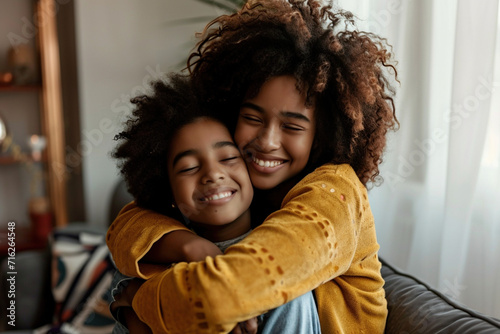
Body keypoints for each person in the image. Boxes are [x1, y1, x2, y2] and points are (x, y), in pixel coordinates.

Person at [107, 0, 399, 332]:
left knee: (283, 294)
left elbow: (233, 290)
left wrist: (137, 304)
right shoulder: (243, 182)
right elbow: (128, 224)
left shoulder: (336, 194)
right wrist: (190, 246)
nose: (267, 141)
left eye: (292, 127)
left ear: (322, 136)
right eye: (252, 118)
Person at [109, 74, 321, 334]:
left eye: (229, 158)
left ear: (251, 167)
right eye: (190, 167)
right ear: (168, 193)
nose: (213, 174)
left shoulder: (283, 255)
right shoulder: (151, 260)